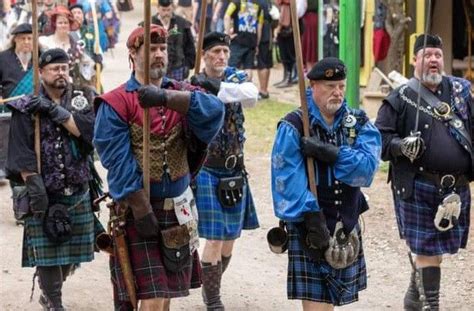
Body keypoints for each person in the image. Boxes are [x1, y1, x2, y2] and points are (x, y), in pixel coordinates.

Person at [93, 25, 225, 310]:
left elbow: (215, 112)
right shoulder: (116, 102)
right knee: (151, 298)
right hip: (138, 211)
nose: (159, 55)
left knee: (164, 297)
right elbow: (116, 160)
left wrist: (166, 98)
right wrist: (141, 208)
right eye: (151, 49)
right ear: (133, 53)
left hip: (178, 209)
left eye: (163, 49)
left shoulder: (180, 92)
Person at [271, 57, 381, 309]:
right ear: (313, 87)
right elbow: (285, 182)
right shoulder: (294, 125)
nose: (338, 92)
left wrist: (330, 153)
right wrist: (311, 216)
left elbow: (366, 170)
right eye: (330, 86)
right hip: (310, 228)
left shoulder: (358, 121)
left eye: (341, 86)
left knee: (330, 304)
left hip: (347, 224)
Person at [375, 34, 473, 310]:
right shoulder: (400, 98)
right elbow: (380, 142)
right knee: (428, 250)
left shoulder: (461, 91)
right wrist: (400, 146)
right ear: (415, 60)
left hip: (456, 189)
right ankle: (432, 306)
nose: (433, 60)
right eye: (427, 55)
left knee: (434, 252)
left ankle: (414, 291)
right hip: (417, 185)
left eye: (437, 55)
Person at [5, 48, 99, 310]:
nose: (61, 73)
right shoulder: (27, 107)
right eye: (54, 69)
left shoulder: (83, 98)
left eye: (65, 68)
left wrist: (54, 111)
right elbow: (20, 150)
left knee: (68, 257)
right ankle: (54, 301)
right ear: (41, 73)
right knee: (48, 258)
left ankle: (50, 291)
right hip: (45, 191)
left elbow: (88, 134)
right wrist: (34, 185)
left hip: (78, 191)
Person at [190, 31, 259, 310]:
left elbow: (251, 97)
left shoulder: (237, 79)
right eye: (215, 52)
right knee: (215, 238)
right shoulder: (192, 83)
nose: (221, 57)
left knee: (230, 240)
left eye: (224, 52)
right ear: (204, 54)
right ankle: (213, 299)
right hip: (207, 169)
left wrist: (216, 87)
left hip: (234, 169)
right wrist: (203, 85)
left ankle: (211, 282)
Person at [152, 0, 195, 81]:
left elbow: (190, 46)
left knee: (177, 93)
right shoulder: (150, 24)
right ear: (158, 8)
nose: (166, 13)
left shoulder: (182, 23)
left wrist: (188, 65)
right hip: (156, 68)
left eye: (168, 10)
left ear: (172, 8)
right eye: (163, 10)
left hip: (177, 68)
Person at [224, 0, 264, 81]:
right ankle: (246, 88)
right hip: (252, 42)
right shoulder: (259, 7)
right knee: (248, 68)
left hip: (238, 40)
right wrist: (257, 44)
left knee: (232, 67)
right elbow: (259, 27)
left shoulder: (235, 3)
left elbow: (226, 16)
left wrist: (228, 35)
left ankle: (232, 88)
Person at [0, 23, 34, 100]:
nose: (26, 42)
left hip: (35, 107)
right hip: (9, 107)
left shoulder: (40, 57)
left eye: (29, 38)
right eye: (23, 38)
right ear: (15, 39)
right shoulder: (2, 58)